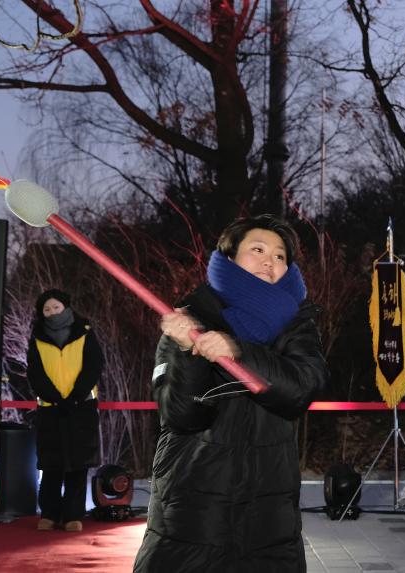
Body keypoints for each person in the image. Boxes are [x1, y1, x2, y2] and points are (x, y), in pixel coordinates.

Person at [133, 214, 328, 572]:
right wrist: (188, 356)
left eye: (280, 255)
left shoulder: (297, 327)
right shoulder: (188, 322)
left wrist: (238, 351)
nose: (270, 260)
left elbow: (302, 390)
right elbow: (180, 416)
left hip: (269, 517)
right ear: (229, 258)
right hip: (193, 511)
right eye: (257, 249)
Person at [26, 289, 104, 532]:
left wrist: (74, 396)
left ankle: (73, 516)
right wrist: (55, 398)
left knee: (77, 465)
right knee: (50, 464)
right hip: (50, 409)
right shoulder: (37, 338)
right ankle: (49, 514)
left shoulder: (85, 333)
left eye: (55, 307)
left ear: (66, 307)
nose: (51, 312)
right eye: (46, 309)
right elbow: (34, 372)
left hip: (81, 408)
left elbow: (94, 366)